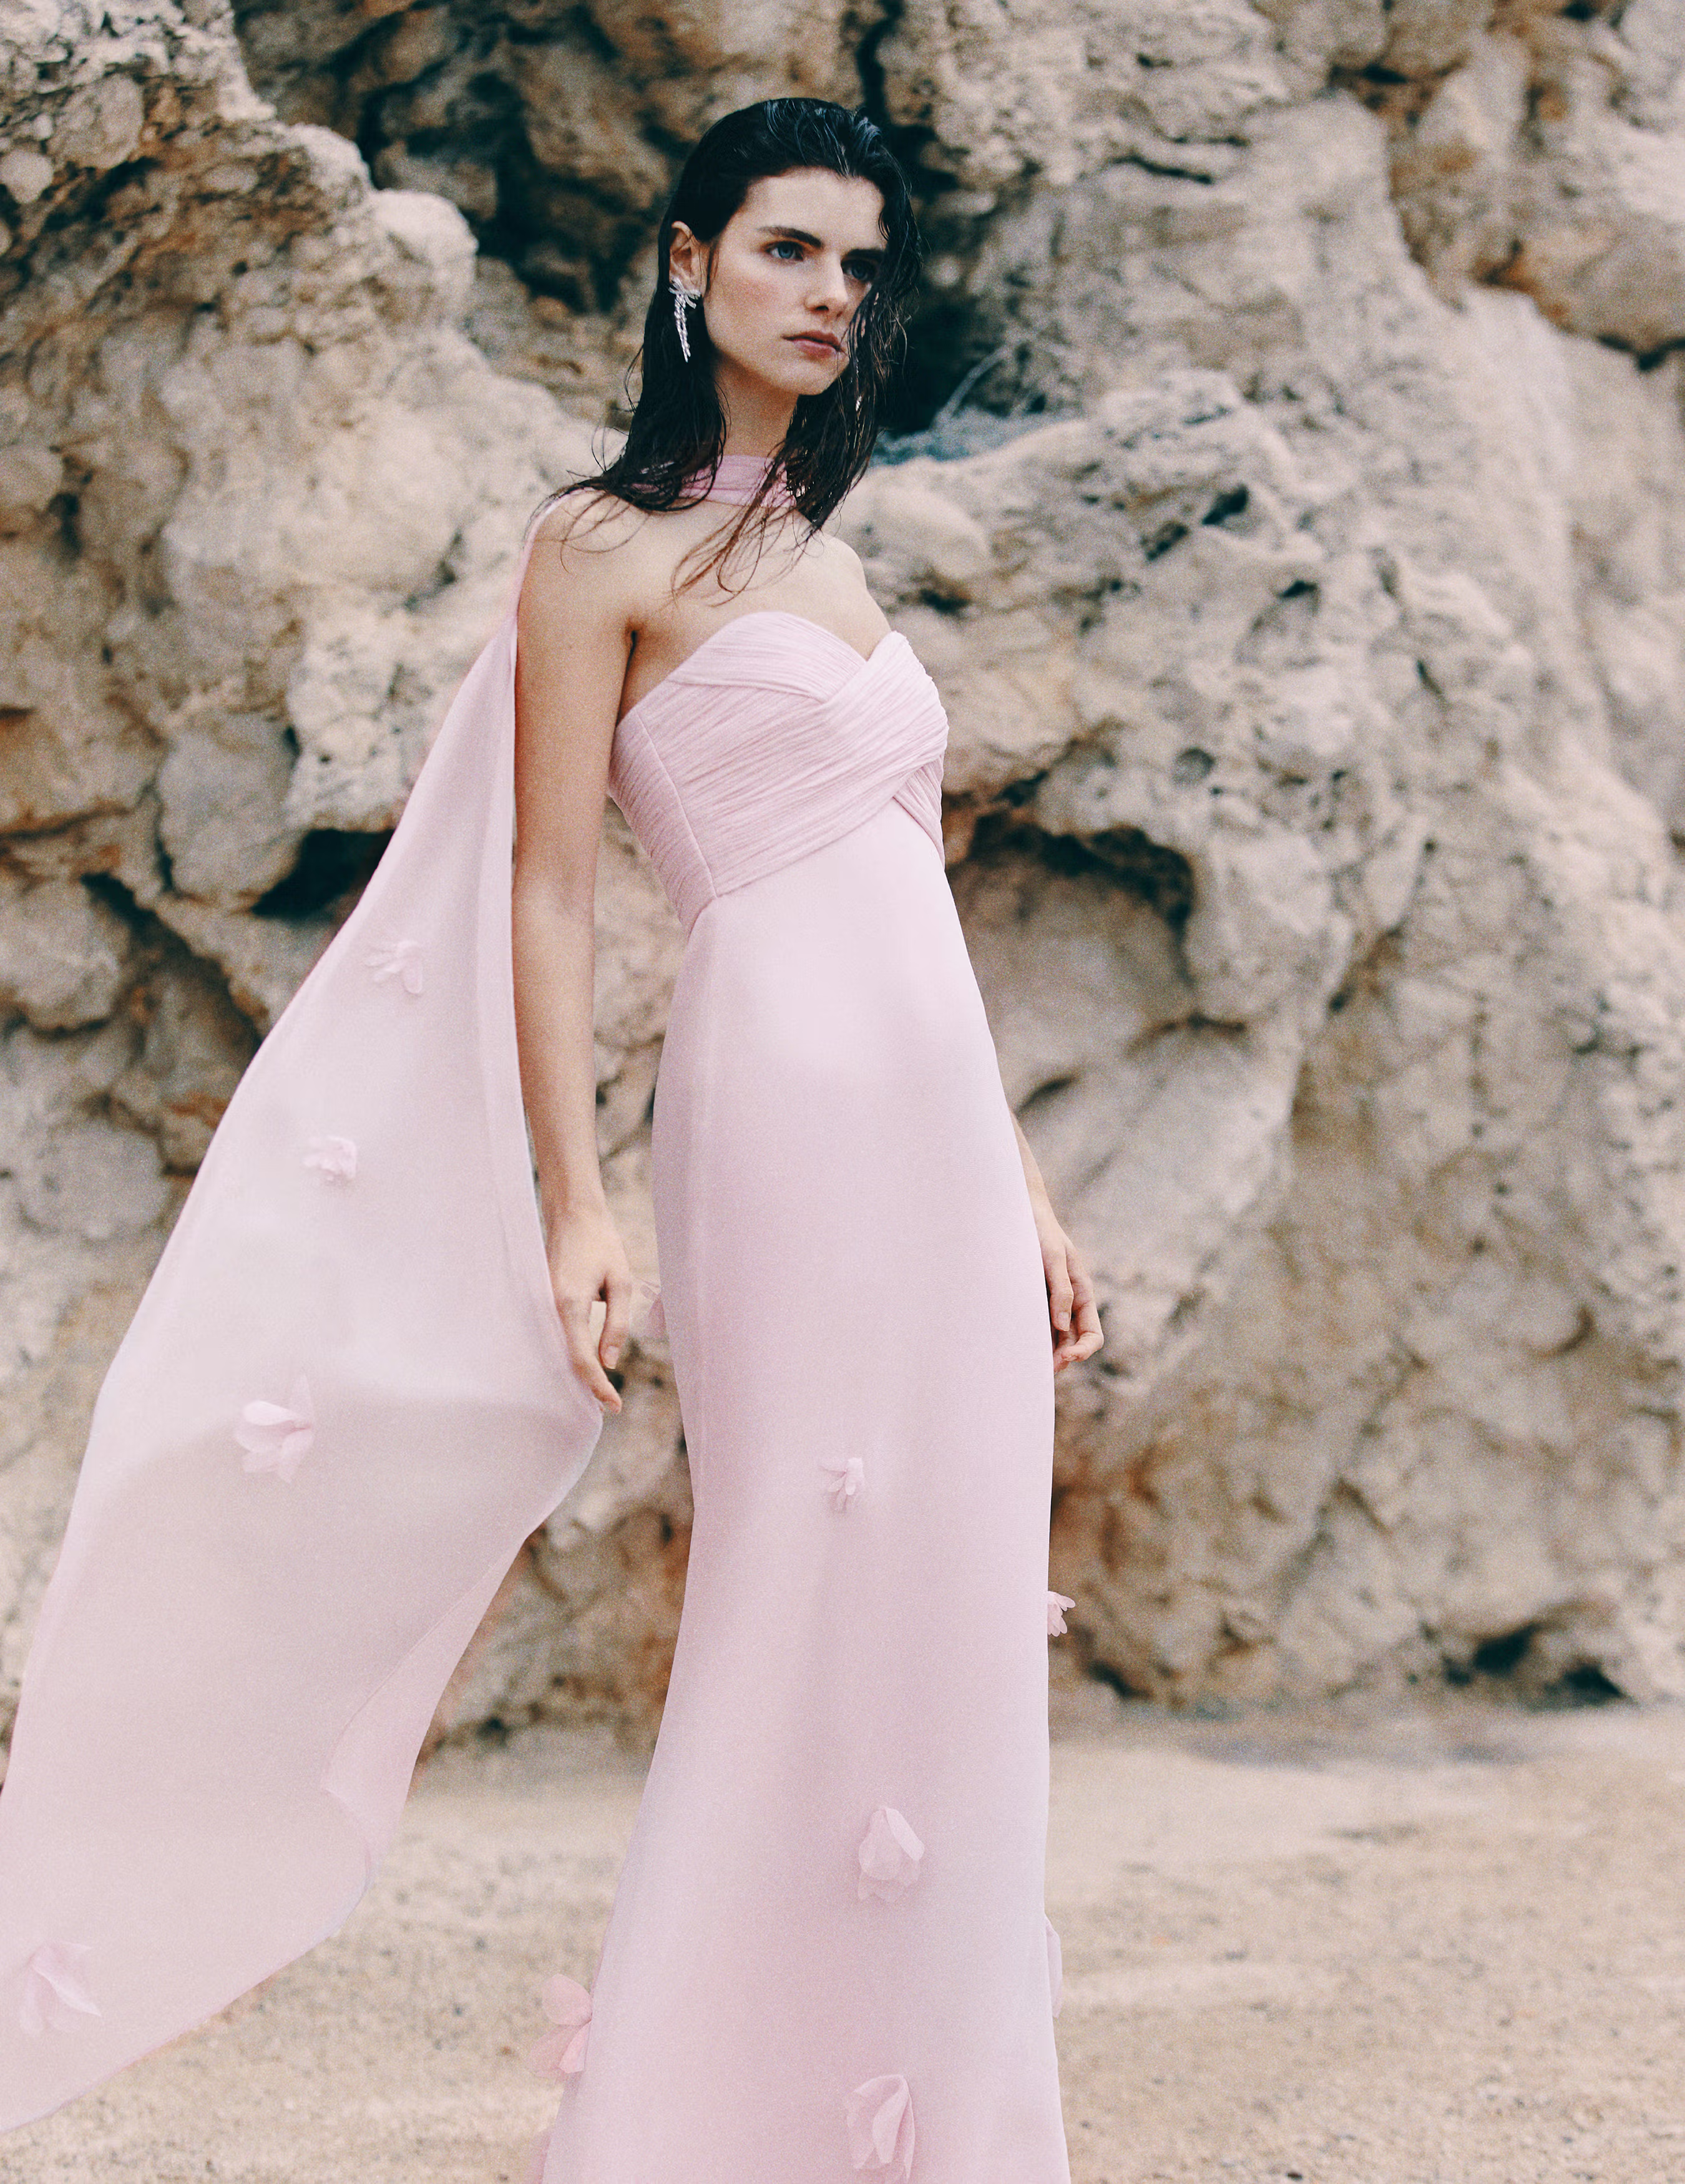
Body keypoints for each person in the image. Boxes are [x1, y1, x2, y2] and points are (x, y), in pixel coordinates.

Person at [0, 94, 1101, 2181]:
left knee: (950, 1608)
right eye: (787, 251)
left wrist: (1023, 1179)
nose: (828, 298)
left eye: (860, 269)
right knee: (792, 1580)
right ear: (687, 264)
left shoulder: (835, 556)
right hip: (771, 1110)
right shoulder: (593, 547)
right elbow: (548, 890)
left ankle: (944, 2120)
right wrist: (575, 1197)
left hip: (943, 1139)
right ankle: (689, 2124)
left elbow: (911, 896)